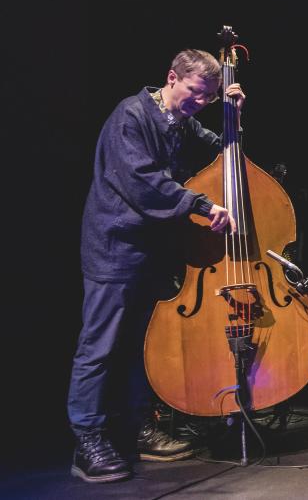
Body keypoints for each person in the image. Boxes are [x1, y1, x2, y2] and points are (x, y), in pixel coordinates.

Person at [68, 49, 244, 483]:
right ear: (171, 77)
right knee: (101, 348)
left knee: (143, 345)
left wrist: (231, 116)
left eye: (207, 98)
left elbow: (222, 149)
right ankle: (86, 439)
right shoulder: (130, 116)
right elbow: (143, 181)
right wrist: (202, 205)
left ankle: (138, 428)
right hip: (114, 248)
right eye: (195, 94)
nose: (198, 103)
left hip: (151, 250)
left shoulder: (180, 119)